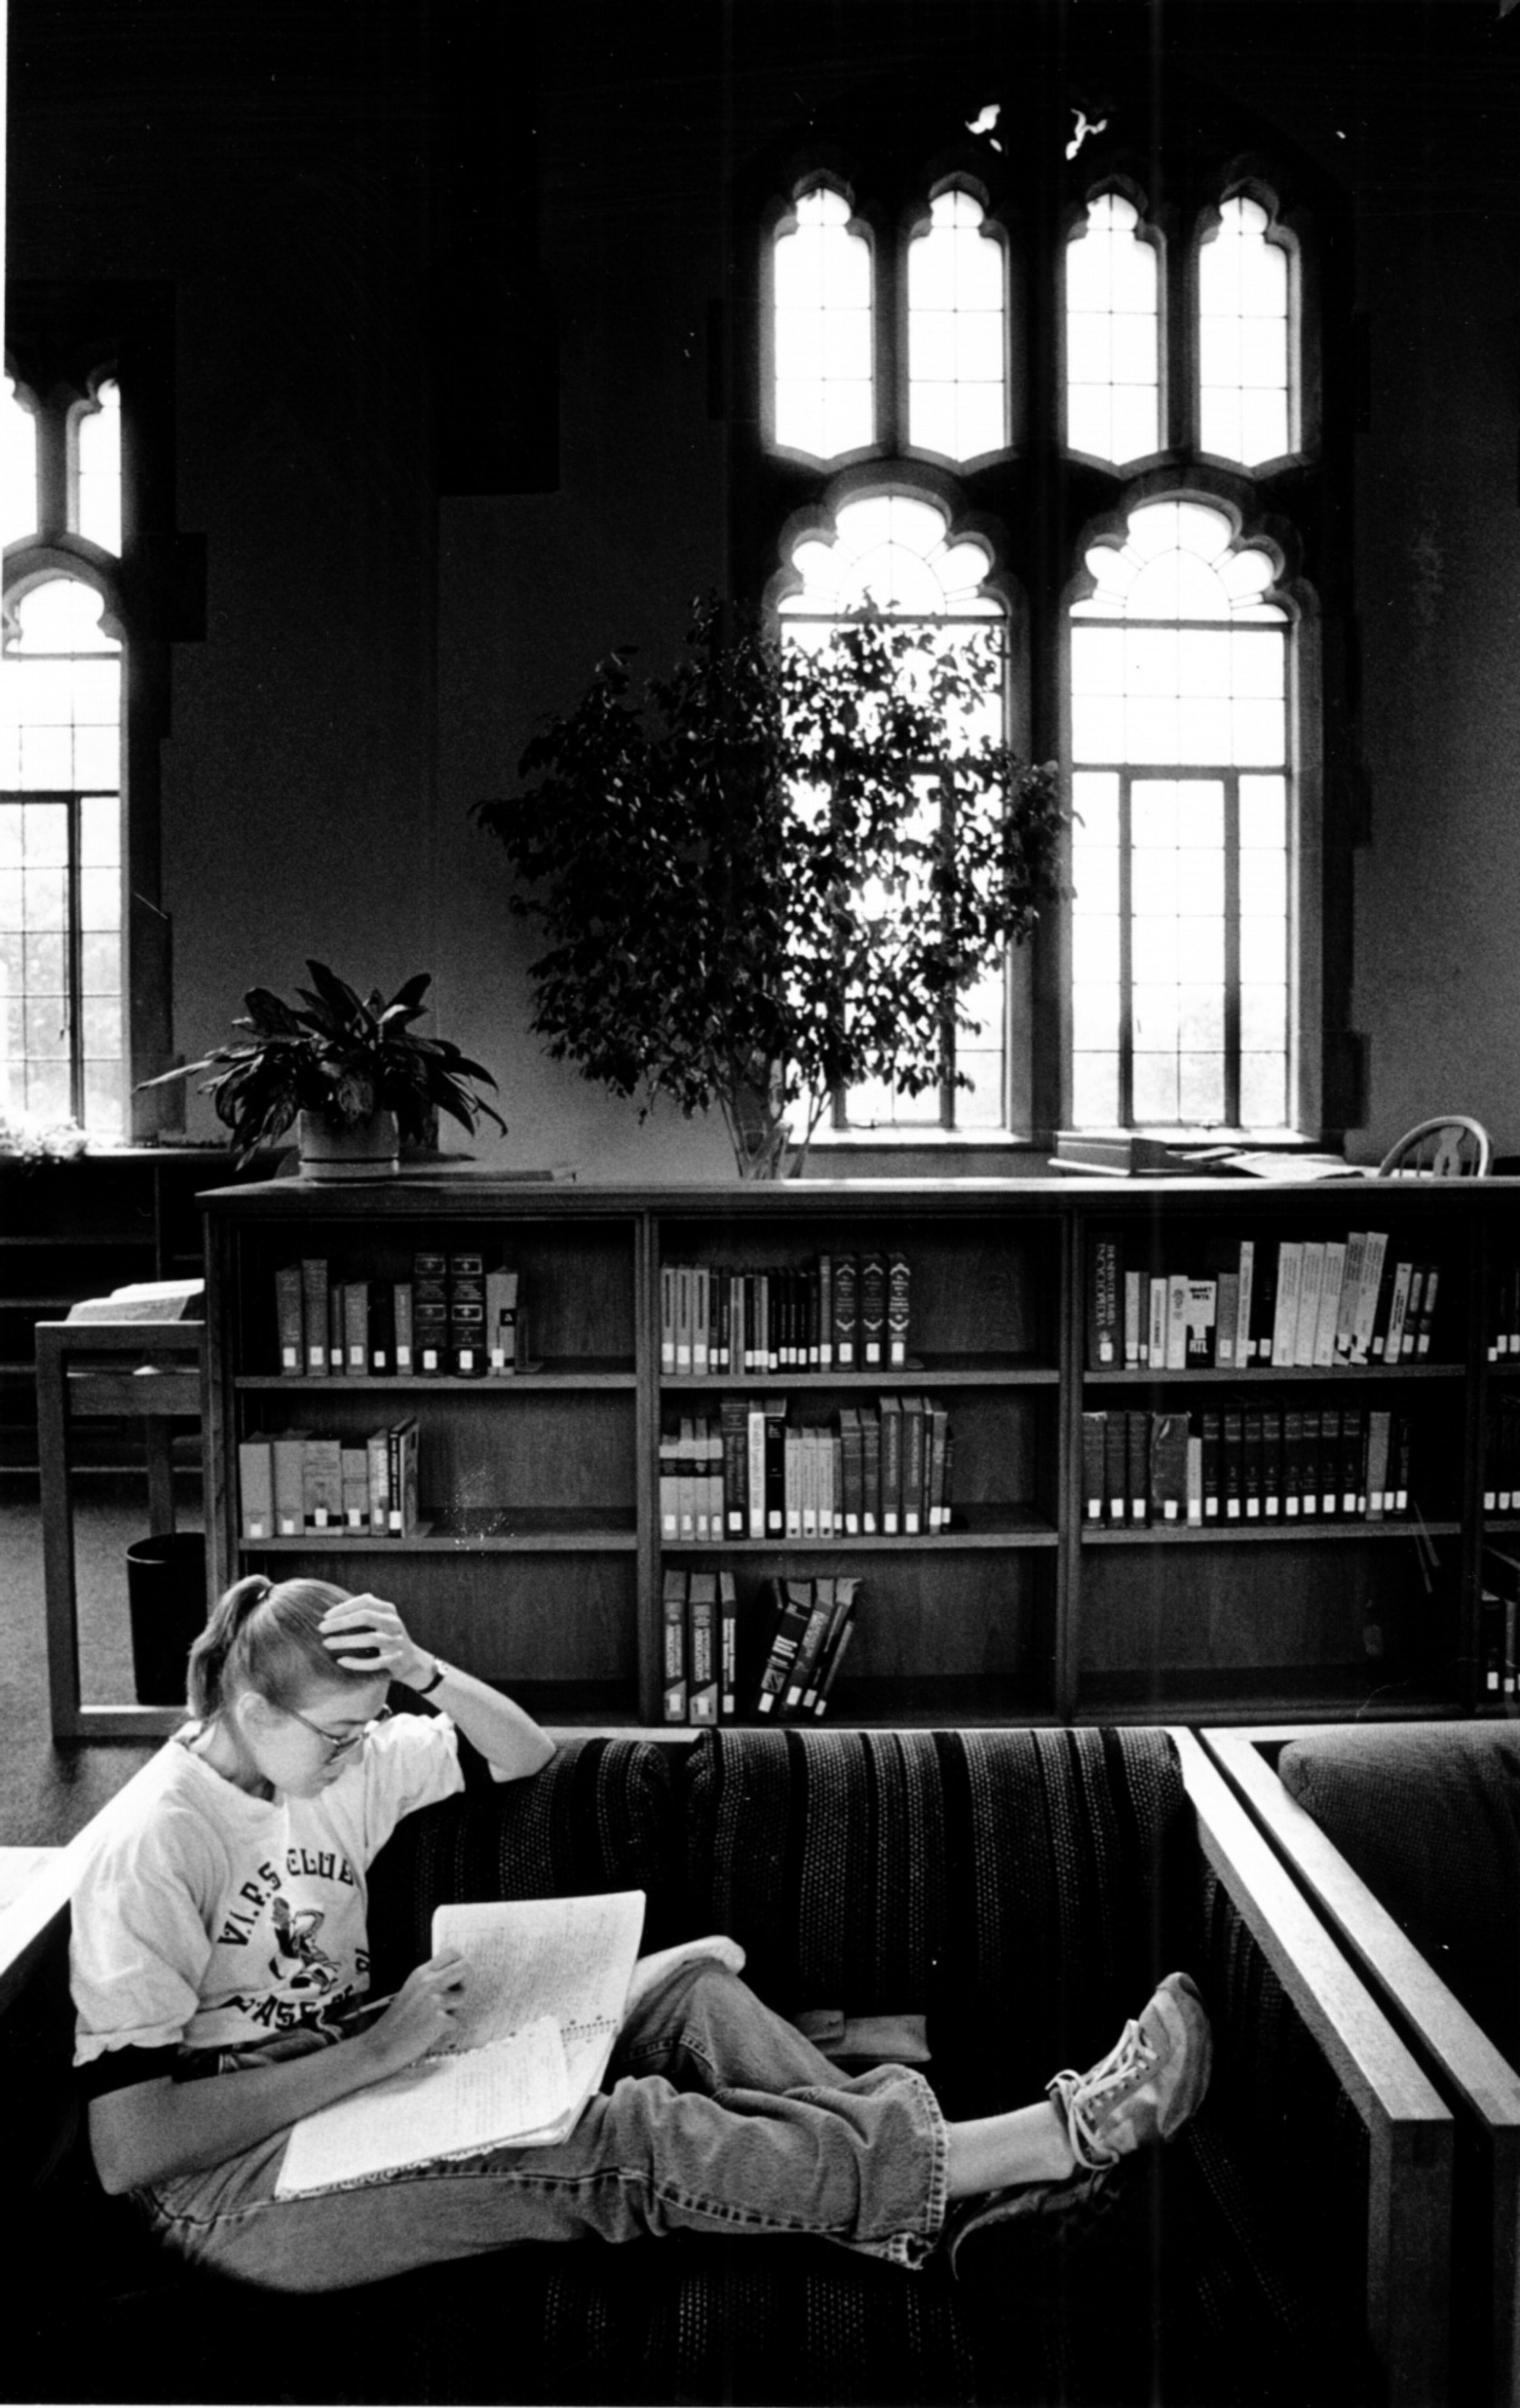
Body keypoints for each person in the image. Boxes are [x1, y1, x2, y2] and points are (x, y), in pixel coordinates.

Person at [71, 1574, 1212, 2295]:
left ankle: (929, 2208)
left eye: (374, 1727)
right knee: (624, 2132)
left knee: (690, 1996)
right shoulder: (154, 1845)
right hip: (233, 2185)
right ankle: (1045, 2142)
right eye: (339, 1733)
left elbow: (521, 1750)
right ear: (253, 1713)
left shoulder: (329, 1767)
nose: (363, 1753)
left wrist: (422, 1671)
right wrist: (376, 2054)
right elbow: (132, 2145)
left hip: (351, 2068)